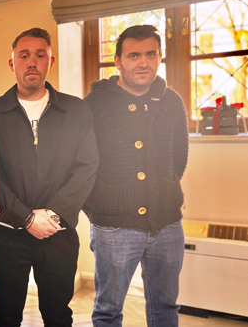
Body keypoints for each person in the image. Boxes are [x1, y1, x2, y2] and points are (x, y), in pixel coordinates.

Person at [0, 28, 98, 327]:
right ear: (12, 63)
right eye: (24, 56)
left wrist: (52, 215)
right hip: (8, 233)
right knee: (6, 315)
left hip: (58, 233)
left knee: (58, 315)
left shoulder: (75, 110)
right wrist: (26, 218)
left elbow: (87, 167)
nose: (32, 62)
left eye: (40, 55)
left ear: (51, 61)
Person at [84, 24, 189, 327]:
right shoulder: (94, 104)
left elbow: (178, 158)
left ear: (159, 57)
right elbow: (81, 163)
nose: (143, 62)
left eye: (150, 54)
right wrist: (98, 206)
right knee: (108, 310)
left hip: (167, 224)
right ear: (117, 61)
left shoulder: (172, 101)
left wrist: (164, 188)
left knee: (166, 306)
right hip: (113, 227)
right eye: (133, 56)